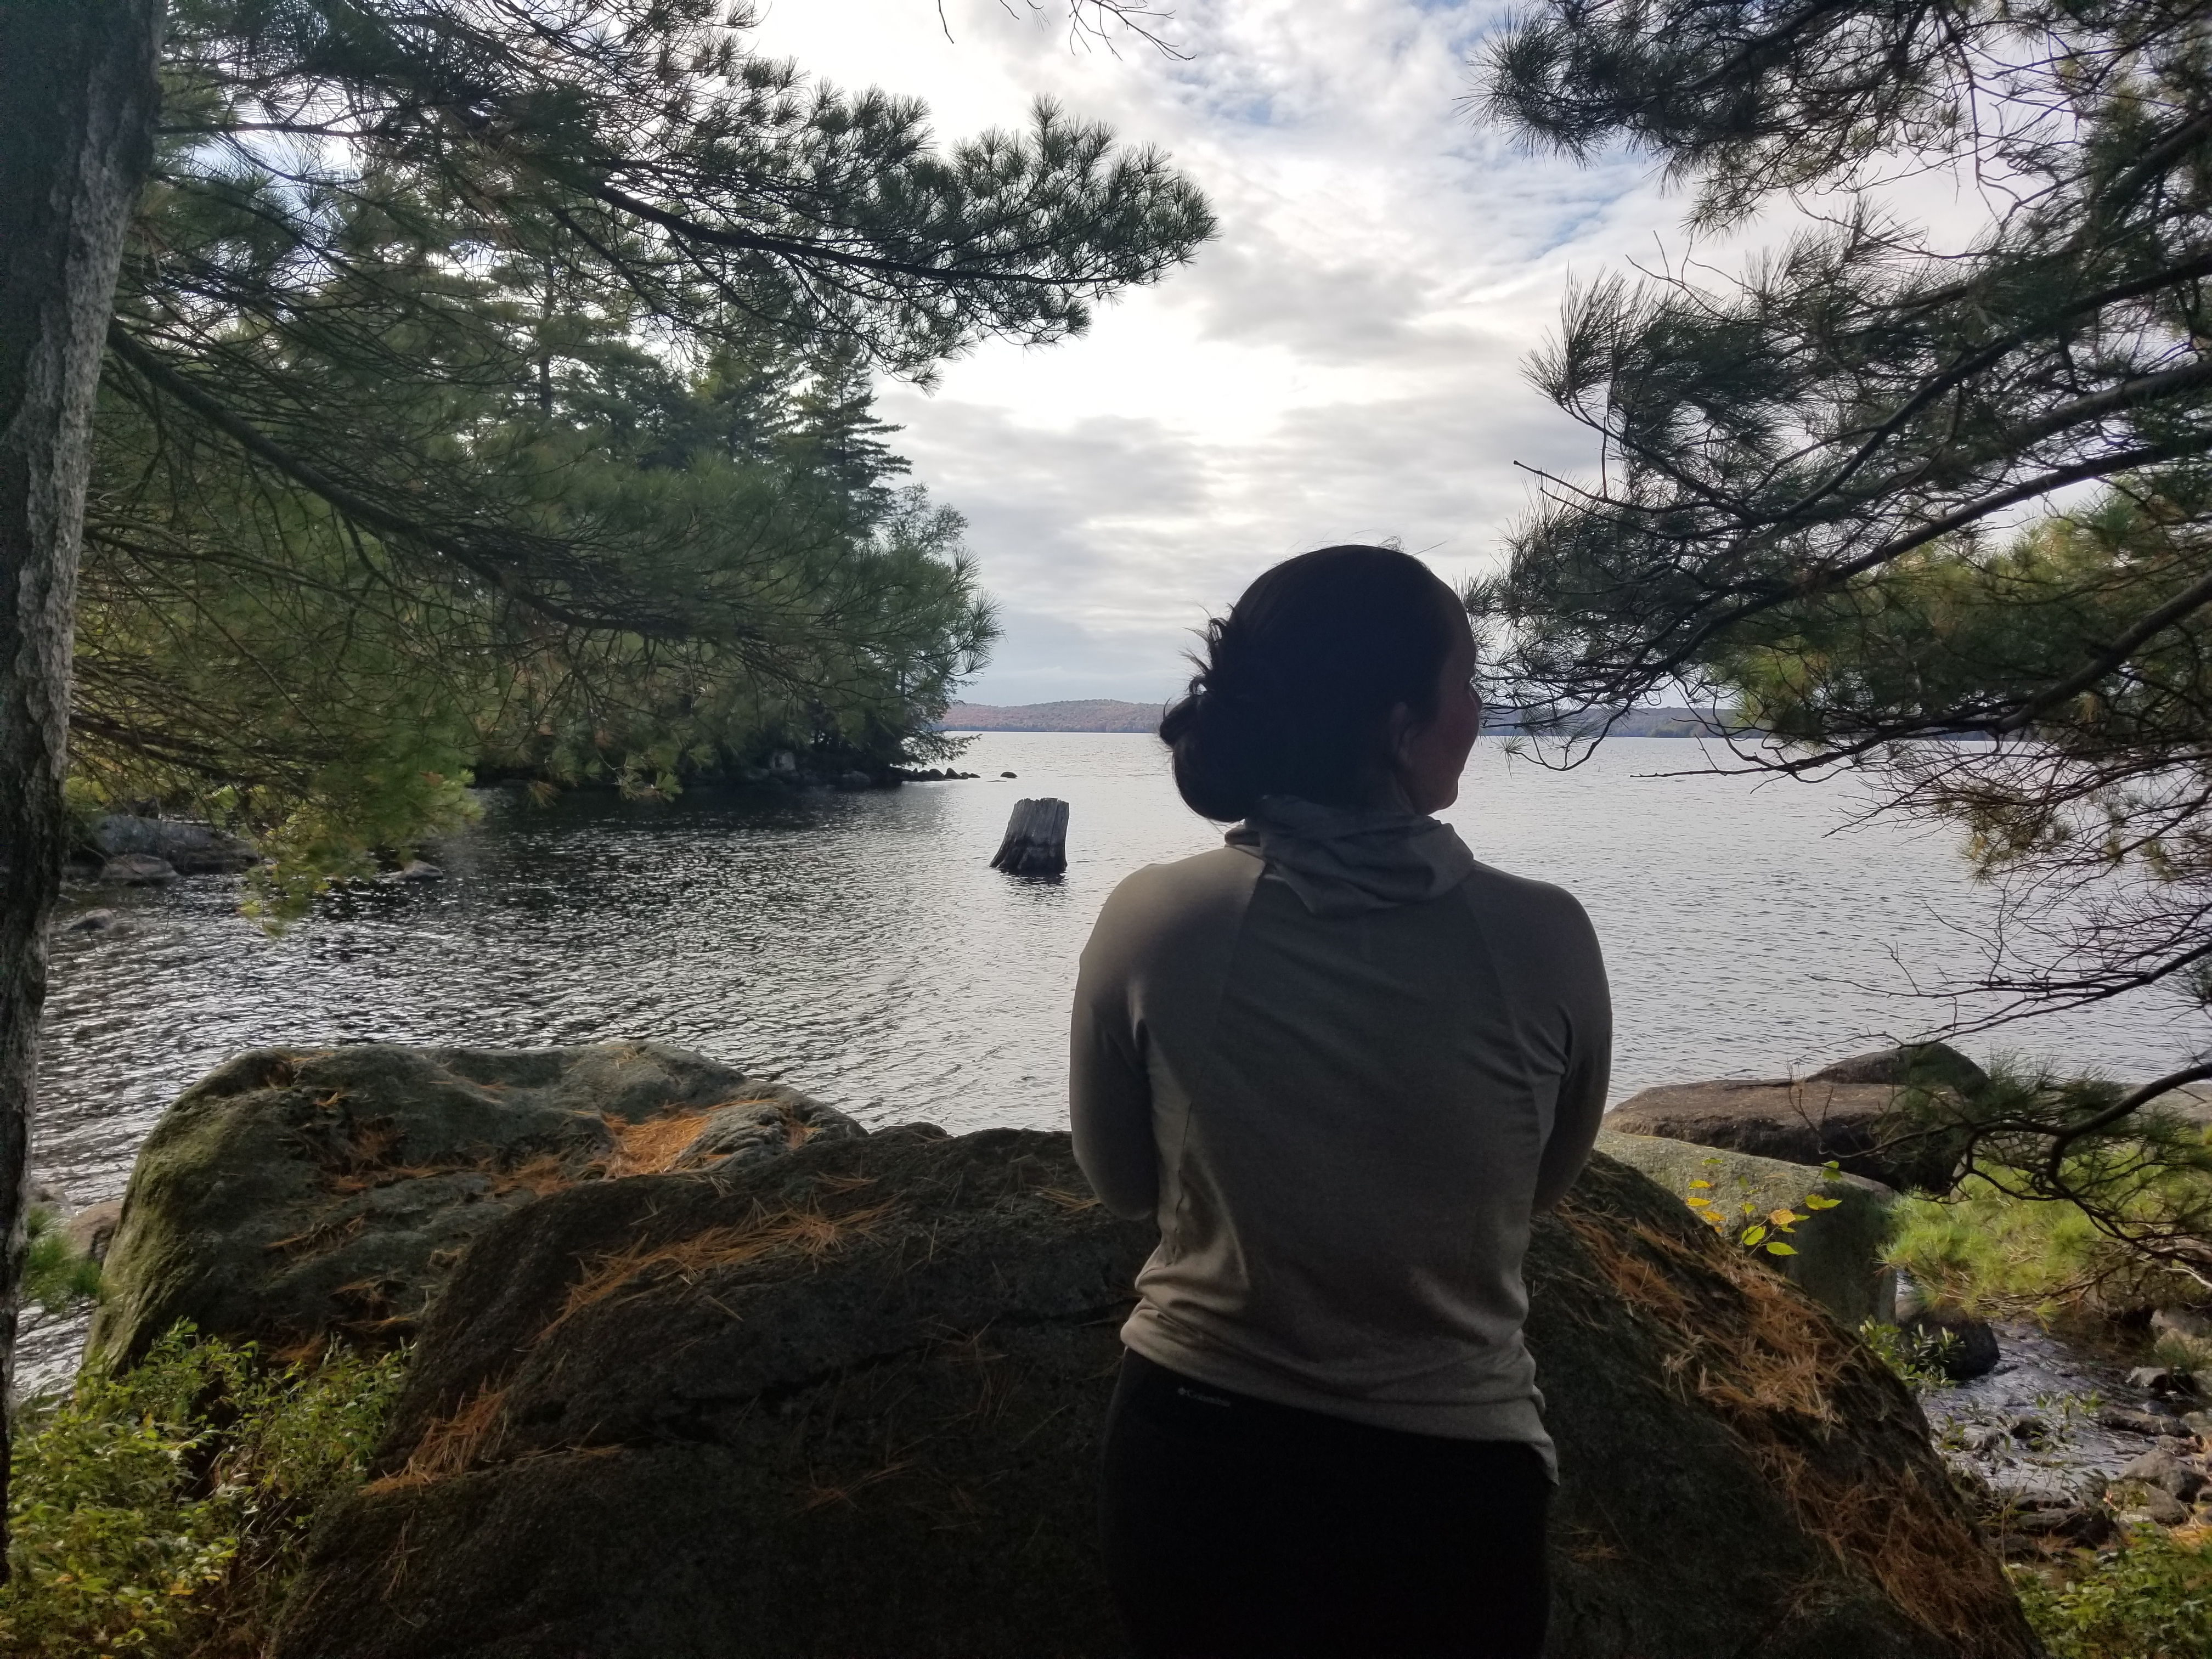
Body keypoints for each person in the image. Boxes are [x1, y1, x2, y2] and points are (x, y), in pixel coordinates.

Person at [1069, 544, 1611, 1659]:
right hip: (1452, 1480)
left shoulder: (1159, 919)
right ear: (1404, 724)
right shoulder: (1545, 937)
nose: (1480, 707)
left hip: (1196, 1453)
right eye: (1467, 680)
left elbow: (1122, 1187)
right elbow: (1540, 1188)